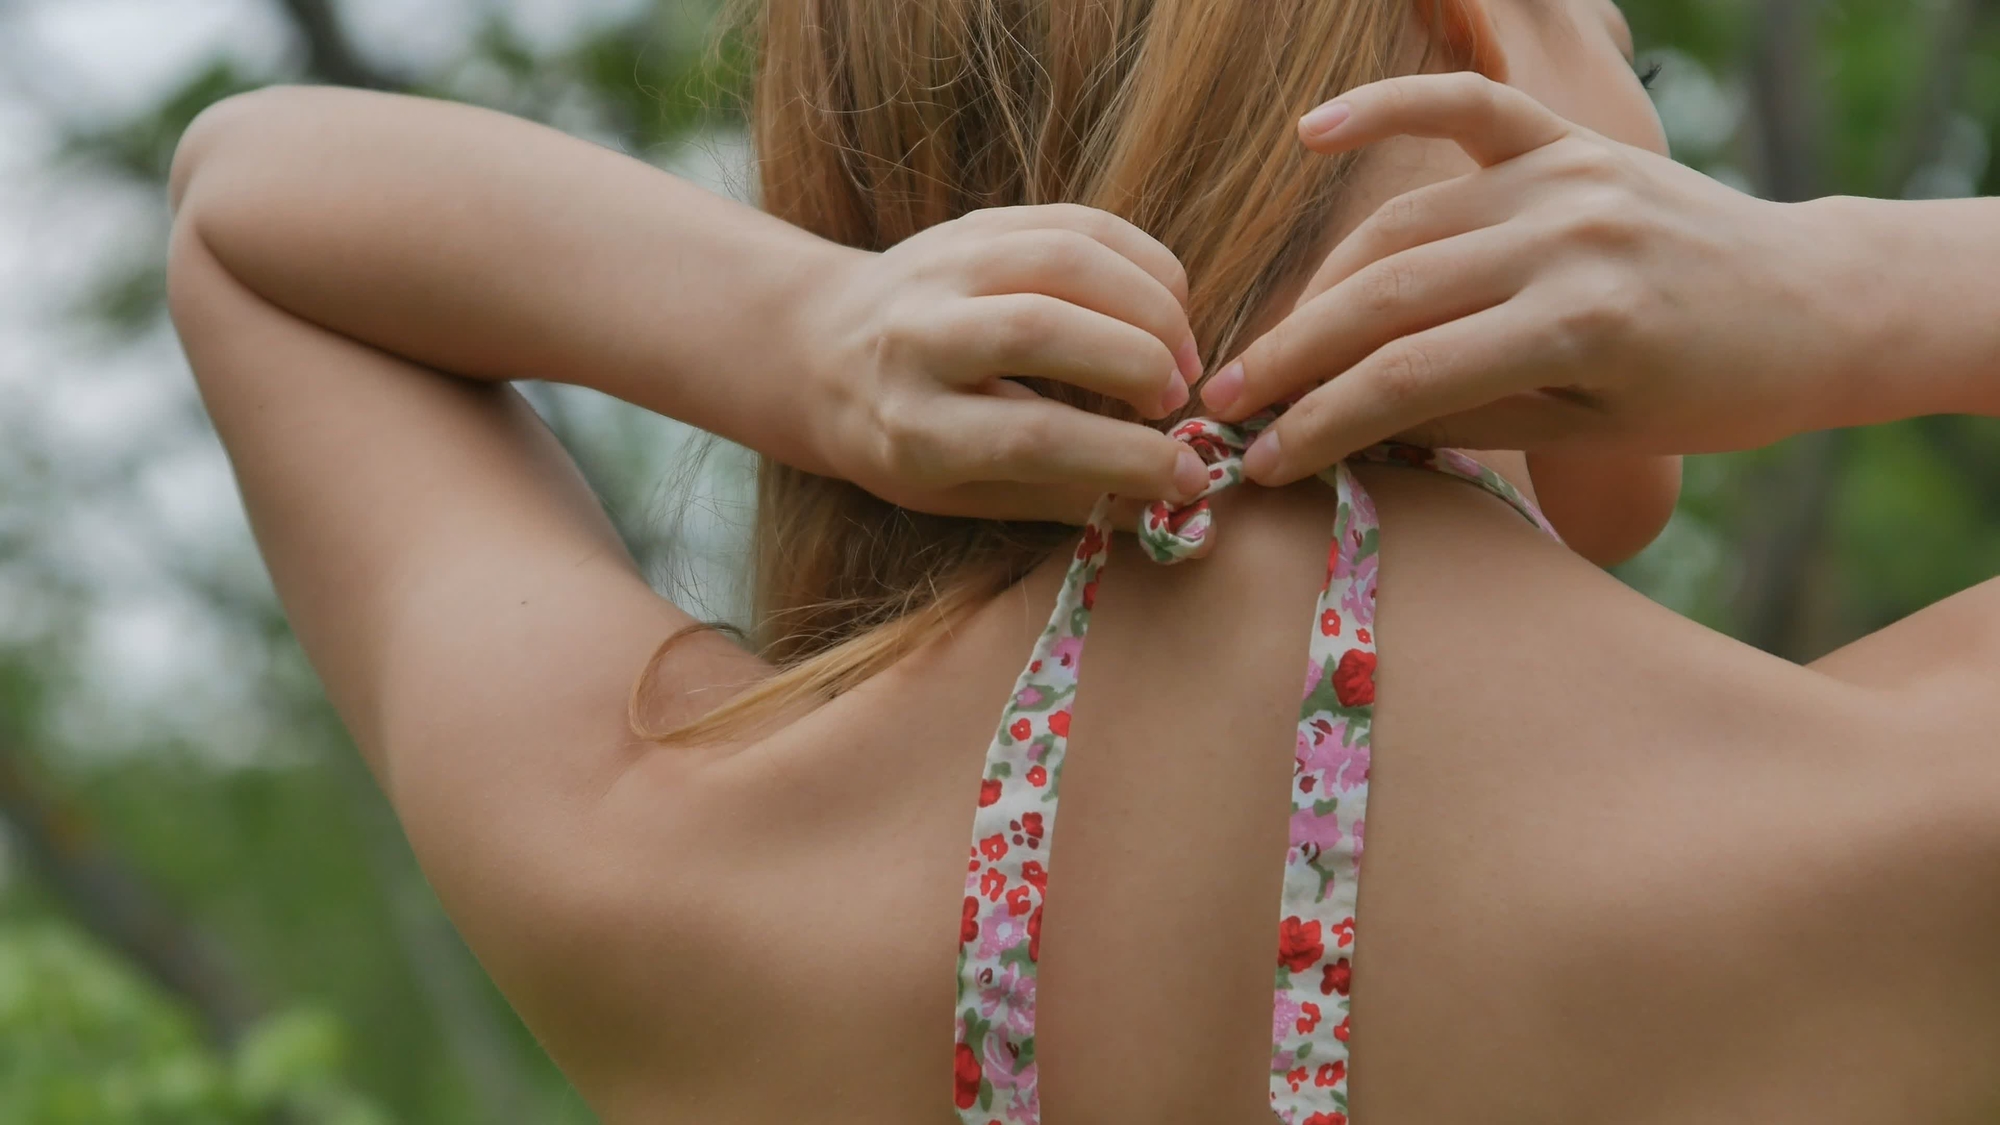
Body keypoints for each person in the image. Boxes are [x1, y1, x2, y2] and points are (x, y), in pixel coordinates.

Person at [162, 0, 2000, 1120]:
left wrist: (798, 335)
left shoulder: (684, 874)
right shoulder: (1910, 818)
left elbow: (250, 209)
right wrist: (1857, 283)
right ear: (1475, 41)